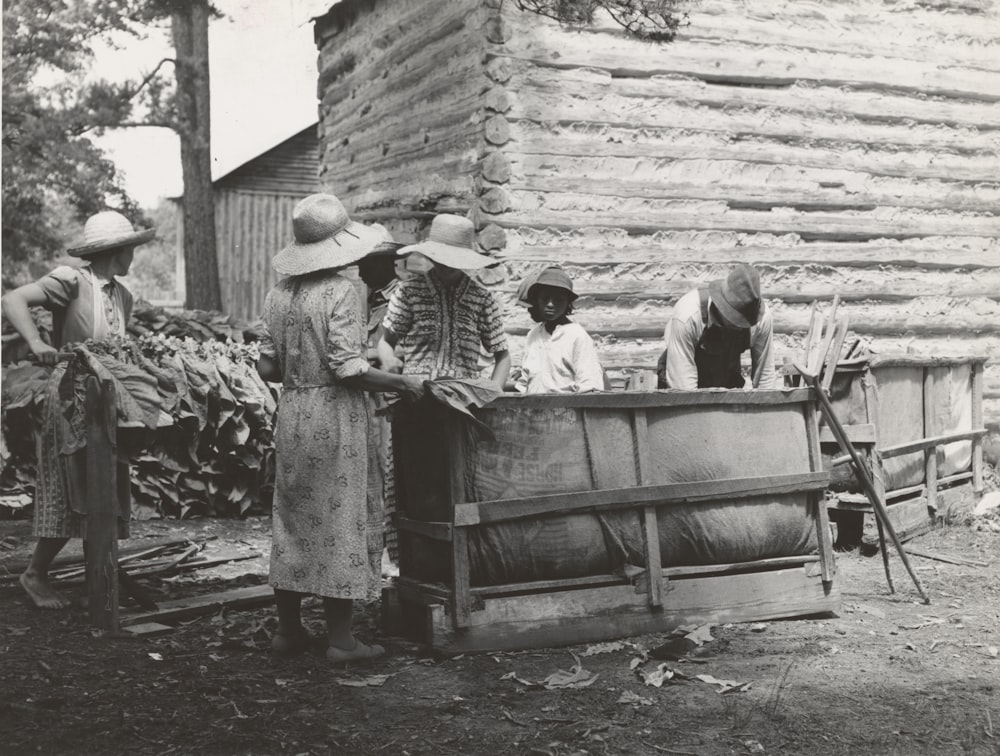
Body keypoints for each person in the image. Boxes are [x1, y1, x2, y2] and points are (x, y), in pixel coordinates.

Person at [255, 193, 425, 663]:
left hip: (293, 413)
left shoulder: (278, 294)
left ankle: (289, 631)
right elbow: (349, 370)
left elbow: (268, 366)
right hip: (335, 416)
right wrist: (402, 381)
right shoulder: (342, 292)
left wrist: (300, 367)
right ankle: (341, 640)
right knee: (339, 518)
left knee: (292, 520)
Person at [1, 210, 154, 609]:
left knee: (105, 485)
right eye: (130, 249)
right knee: (69, 486)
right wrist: (36, 343)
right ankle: (34, 573)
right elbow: (12, 299)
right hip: (70, 392)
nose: (133, 256)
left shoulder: (123, 296)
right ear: (116, 251)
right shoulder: (71, 280)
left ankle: (97, 581)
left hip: (106, 396)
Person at [376, 214, 510, 388]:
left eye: (454, 259)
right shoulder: (408, 292)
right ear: (431, 256)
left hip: (464, 399)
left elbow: (502, 355)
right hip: (416, 396)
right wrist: (388, 360)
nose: (447, 265)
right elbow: (387, 341)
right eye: (441, 258)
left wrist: (493, 392)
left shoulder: (482, 299)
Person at [659, 263, 776, 390]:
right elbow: (684, 390)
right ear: (721, 305)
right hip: (682, 377)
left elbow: (765, 379)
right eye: (734, 319)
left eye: (743, 323)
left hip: (726, 379)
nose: (739, 327)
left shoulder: (761, 319)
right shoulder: (688, 316)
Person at [513, 266, 604, 394]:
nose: (550, 304)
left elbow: (589, 385)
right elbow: (525, 382)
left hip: (566, 409)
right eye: (545, 298)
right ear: (537, 300)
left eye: (558, 300)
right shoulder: (533, 336)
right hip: (533, 409)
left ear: (568, 303)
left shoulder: (577, 336)